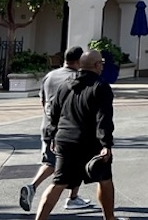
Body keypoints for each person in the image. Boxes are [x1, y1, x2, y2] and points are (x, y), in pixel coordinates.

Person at [33, 50, 124, 220]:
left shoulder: (65, 85)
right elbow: (103, 118)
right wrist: (106, 144)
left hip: (64, 139)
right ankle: (109, 218)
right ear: (97, 65)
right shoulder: (100, 86)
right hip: (89, 141)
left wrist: (51, 137)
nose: (102, 66)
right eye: (101, 63)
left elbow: (53, 113)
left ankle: (40, 219)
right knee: (104, 178)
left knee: (58, 182)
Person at [19, 46, 96, 213]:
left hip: (47, 125)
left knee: (50, 161)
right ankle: (72, 198)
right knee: (76, 163)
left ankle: (33, 186)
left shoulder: (50, 76)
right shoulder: (76, 78)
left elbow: (43, 100)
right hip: (69, 128)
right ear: (78, 61)